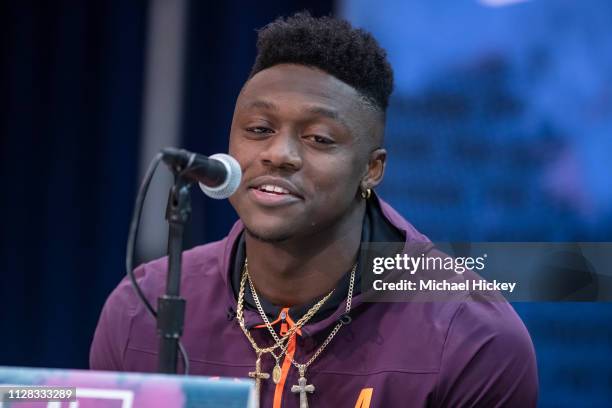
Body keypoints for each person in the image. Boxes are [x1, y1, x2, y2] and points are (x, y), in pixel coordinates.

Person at [90, 12, 538, 408]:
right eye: (259, 129)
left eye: (319, 138)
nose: (279, 154)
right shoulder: (140, 312)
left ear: (372, 169)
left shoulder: (472, 337)